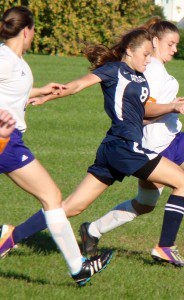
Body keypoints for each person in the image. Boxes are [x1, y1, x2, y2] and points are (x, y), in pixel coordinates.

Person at [0, 25, 184, 267]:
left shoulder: (140, 76)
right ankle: (165, 247)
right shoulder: (113, 70)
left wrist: (170, 106)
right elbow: (77, 86)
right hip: (124, 147)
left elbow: (139, 114)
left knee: (71, 207)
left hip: (116, 148)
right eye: (145, 55)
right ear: (129, 51)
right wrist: (46, 95)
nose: (148, 60)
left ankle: (10, 236)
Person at [78, 18, 184, 262]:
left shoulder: (157, 68)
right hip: (153, 145)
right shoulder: (148, 70)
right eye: (171, 44)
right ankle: (93, 231)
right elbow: (143, 109)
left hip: (173, 137)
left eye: (177, 44)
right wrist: (173, 107)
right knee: (146, 203)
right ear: (155, 41)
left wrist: (171, 106)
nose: (175, 49)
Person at [0, 6, 112, 286]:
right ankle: (79, 268)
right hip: (6, 140)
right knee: (52, 198)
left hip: (10, 140)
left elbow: (12, 93)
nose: (33, 36)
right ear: (27, 30)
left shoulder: (16, 61)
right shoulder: (5, 59)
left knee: (52, 197)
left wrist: (40, 91)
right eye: (33, 31)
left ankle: (76, 267)